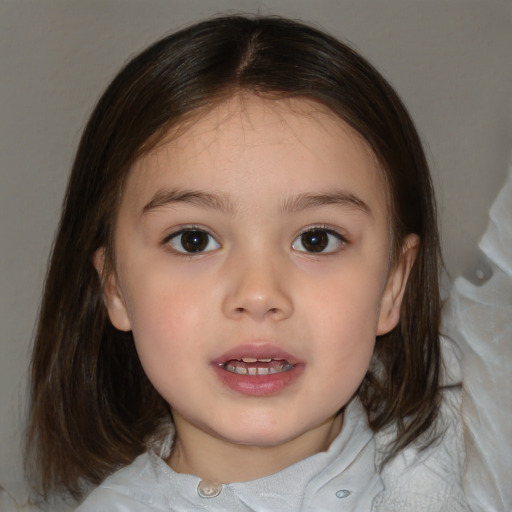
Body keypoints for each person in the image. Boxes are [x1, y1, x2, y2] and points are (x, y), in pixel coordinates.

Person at [24, 15, 469, 511]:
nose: (258, 294)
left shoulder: (466, 467)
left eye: (317, 240)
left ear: (393, 284)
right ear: (114, 287)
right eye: (193, 240)